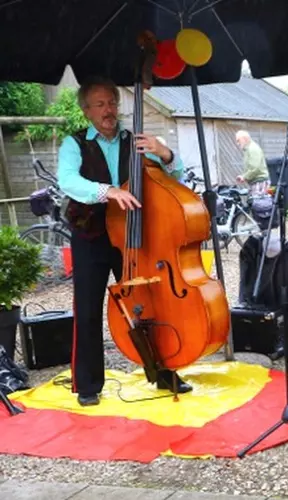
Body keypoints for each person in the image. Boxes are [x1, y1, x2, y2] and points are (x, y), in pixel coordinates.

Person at [57, 77, 192, 407]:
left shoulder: (137, 141)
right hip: (91, 235)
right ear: (86, 110)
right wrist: (109, 191)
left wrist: (167, 154)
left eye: (113, 103)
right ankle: (88, 384)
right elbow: (68, 181)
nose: (109, 110)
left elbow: (177, 179)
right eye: (100, 104)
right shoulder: (74, 144)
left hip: (133, 235)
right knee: (87, 309)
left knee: (146, 304)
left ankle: (162, 372)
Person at [235, 130, 270, 196]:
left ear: (244, 139)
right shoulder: (249, 149)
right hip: (257, 182)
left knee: (258, 204)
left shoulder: (252, 149)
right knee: (254, 203)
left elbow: (254, 168)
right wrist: (243, 176)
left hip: (259, 183)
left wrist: (244, 177)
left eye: (238, 140)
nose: (237, 143)